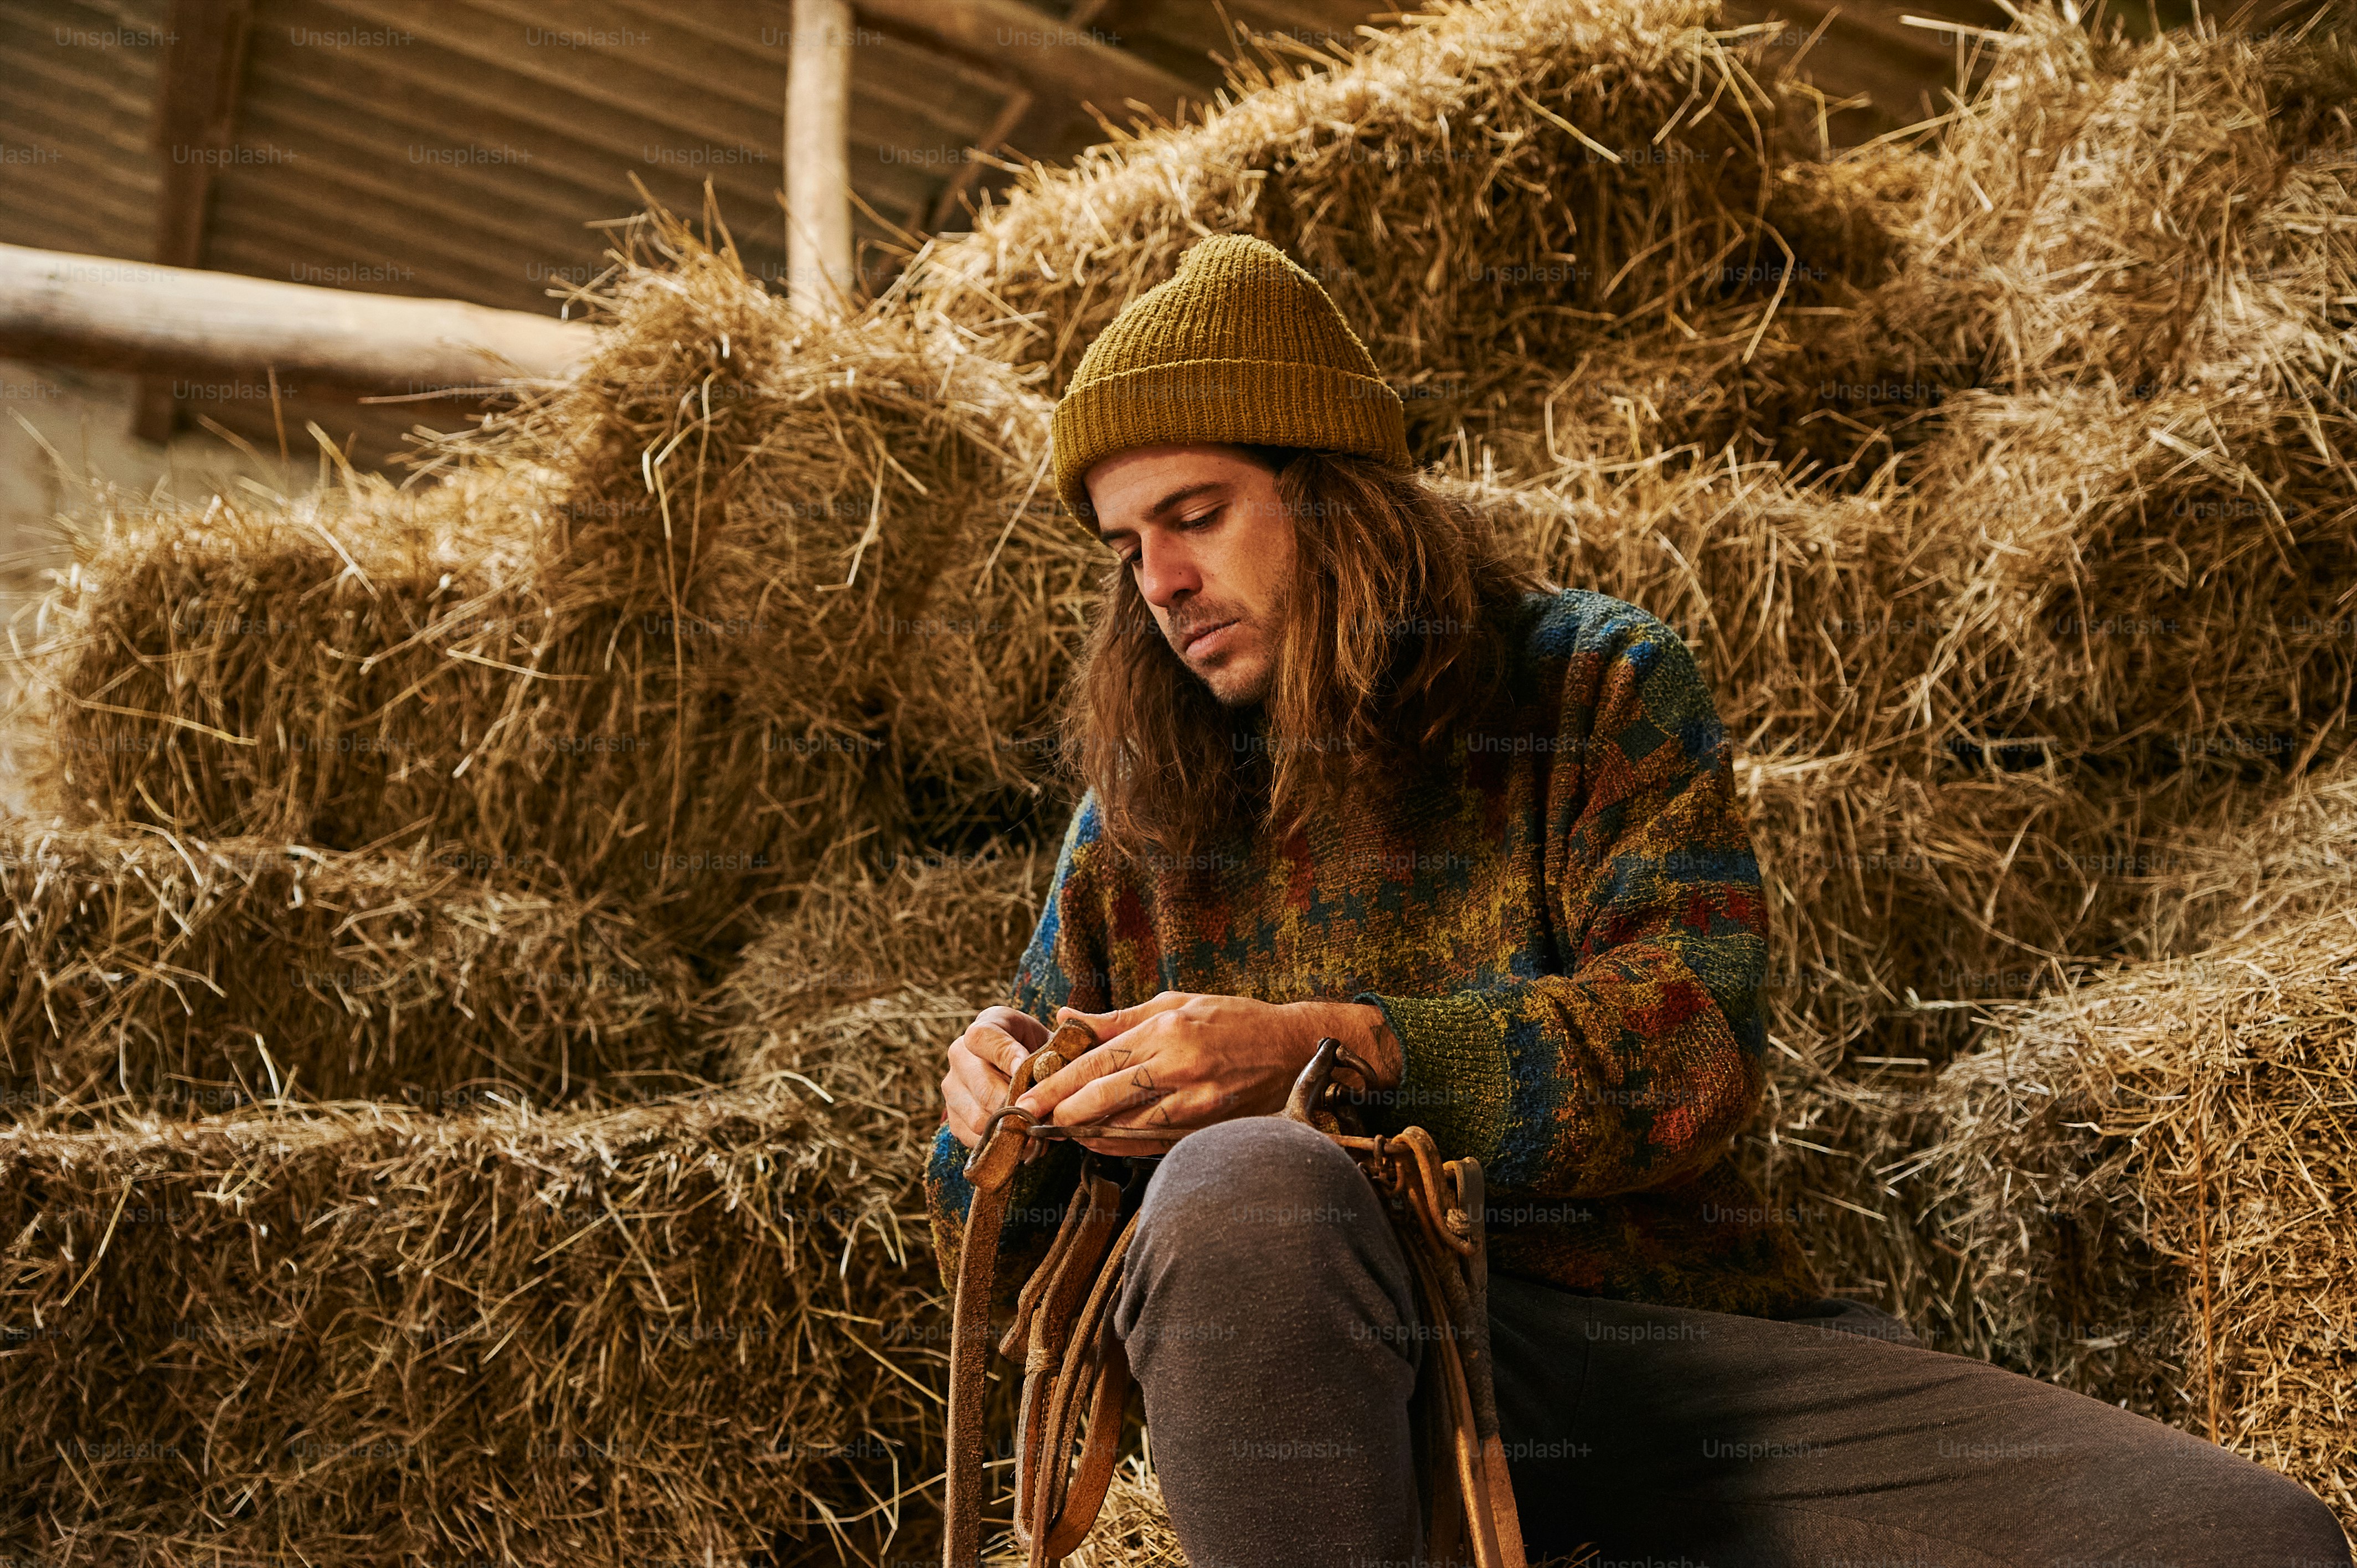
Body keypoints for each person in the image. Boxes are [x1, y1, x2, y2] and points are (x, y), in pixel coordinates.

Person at [927, 234, 2351, 1568]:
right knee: (1243, 1188)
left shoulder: (1588, 684)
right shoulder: (1140, 814)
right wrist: (992, 1122)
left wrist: (1342, 1045)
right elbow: (1020, 1263)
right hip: (1331, 1379)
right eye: (1127, 549)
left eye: (1196, 516)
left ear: (1336, 493)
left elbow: (1687, 1055)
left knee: (2243, 1538)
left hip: (1659, 1354)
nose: (1163, 583)